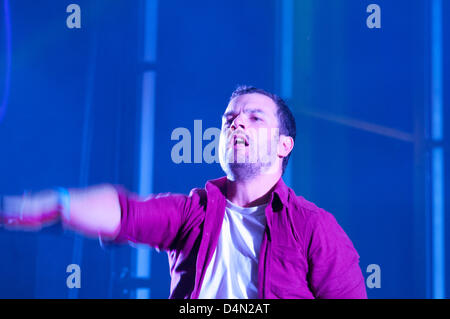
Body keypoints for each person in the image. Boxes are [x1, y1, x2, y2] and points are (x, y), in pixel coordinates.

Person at [0, 86, 367, 299]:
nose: (236, 122)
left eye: (255, 118)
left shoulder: (314, 228)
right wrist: (50, 205)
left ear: (284, 145)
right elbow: (124, 213)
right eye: (229, 119)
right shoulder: (194, 213)